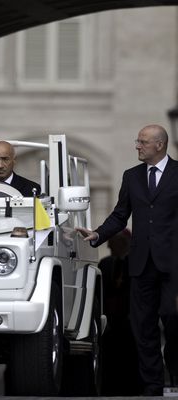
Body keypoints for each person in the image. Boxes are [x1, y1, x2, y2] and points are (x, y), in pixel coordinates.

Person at [76, 124, 178, 396]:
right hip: (142, 264)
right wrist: (98, 233)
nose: (137, 146)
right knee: (143, 327)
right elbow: (121, 214)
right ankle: (153, 386)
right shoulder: (131, 176)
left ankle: (173, 368)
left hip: (173, 264)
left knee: (172, 316)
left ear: (159, 145)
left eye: (143, 142)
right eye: (137, 141)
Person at [98, 229, 140, 395]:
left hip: (130, 319)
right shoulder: (105, 263)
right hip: (111, 320)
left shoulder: (136, 262)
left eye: (112, 242)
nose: (108, 245)